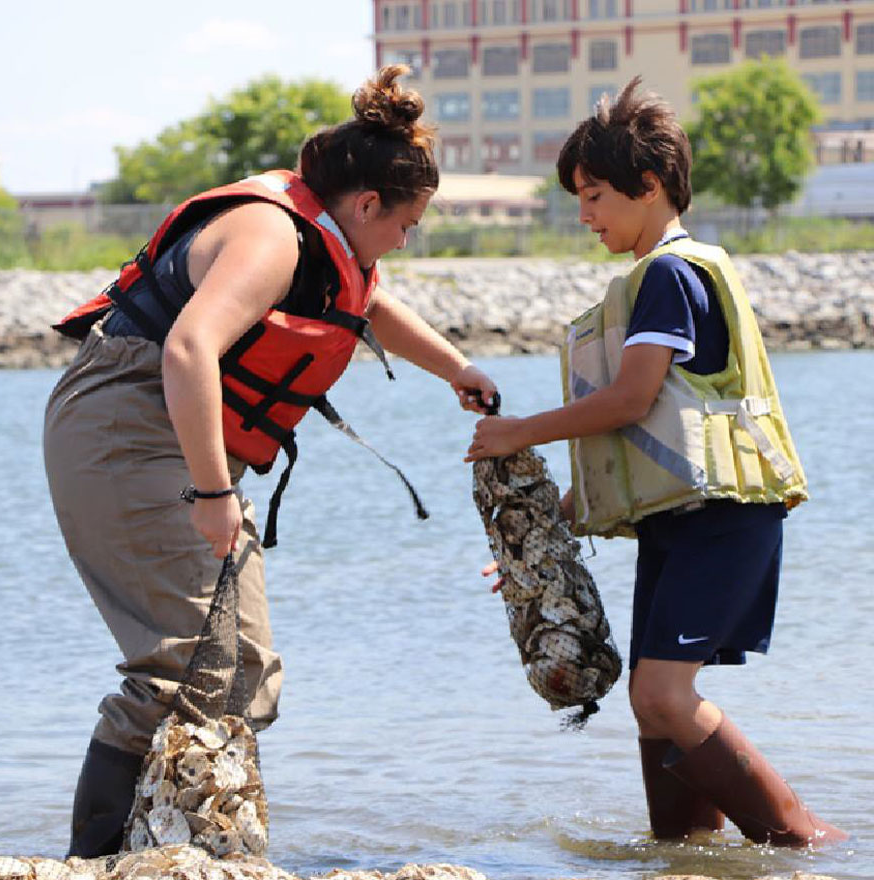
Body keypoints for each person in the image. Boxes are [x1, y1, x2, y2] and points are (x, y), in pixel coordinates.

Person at [44, 64, 498, 859]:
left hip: (162, 428)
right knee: (185, 663)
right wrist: (214, 490)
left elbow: (372, 305)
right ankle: (97, 866)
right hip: (124, 421)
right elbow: (189, 348)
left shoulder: (326, 241)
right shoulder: (270, 234)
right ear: (366, 205)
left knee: (240, 667)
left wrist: (456, 367)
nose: (403, 239)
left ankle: (184, 855)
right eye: (406, 224)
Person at [465, 77, 846, 847]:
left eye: (596, 194)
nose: (584, 215)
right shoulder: (650, 276)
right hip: (683, 519)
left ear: (649, 187)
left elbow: (633, 400)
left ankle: (807, 842)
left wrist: (519, 433)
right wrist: (540, 539)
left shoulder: (671, 274)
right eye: (578, 196)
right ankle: (685, 856)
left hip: (725, 519)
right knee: (652, 701)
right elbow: (650, 437)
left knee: (664, 695)